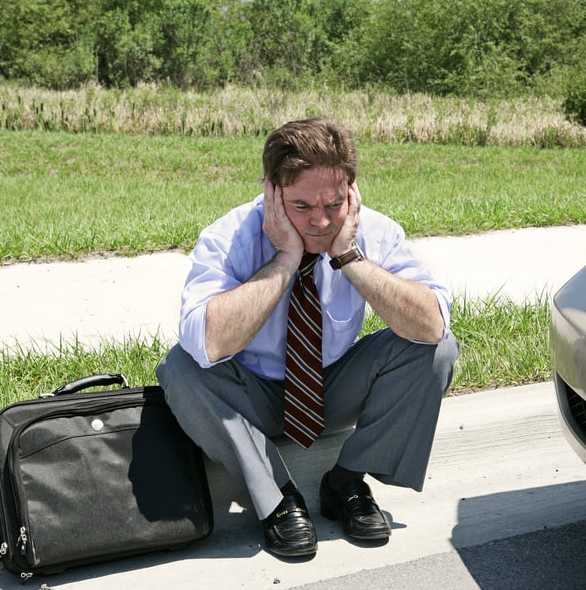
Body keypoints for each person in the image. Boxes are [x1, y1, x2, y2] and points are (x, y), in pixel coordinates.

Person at [157, 117, 460, 558]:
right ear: (271, 191)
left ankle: (347, 482)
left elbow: (432, 324)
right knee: (180, 367)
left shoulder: (373, 231)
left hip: (330, 389)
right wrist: (285, 258)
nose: (320, 221)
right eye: (301, 206)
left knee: (437, 348)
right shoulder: (230, 237)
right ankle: (280, 500)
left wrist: (349, 256)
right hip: (247, 395)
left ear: (352, 192)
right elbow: (205, 342)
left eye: (334, 203)